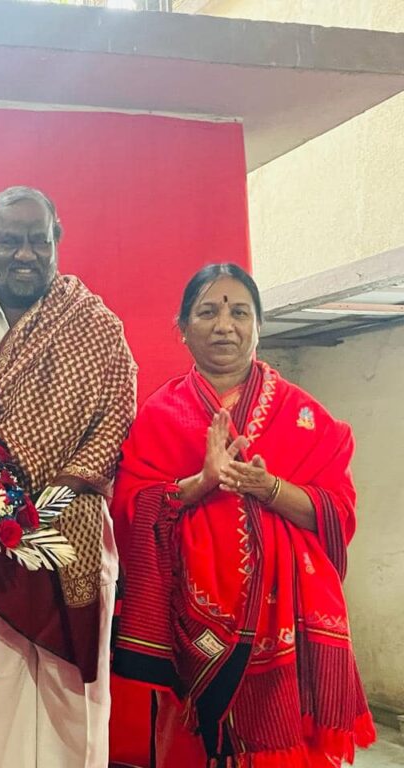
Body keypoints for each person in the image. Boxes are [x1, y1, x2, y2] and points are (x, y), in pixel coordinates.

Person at [112, 263, 375, 767]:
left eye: (239, 313)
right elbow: (130, 509)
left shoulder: (303, 414)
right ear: (182, 327)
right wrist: (201, 483)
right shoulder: (160, 414)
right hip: (191, 626)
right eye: (207, 312)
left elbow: (336, 512)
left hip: (286, 630)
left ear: (258, 324)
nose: (224, 326)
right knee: (191, 744)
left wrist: (269, 489)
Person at [0, 186, 137, 768]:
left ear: (56, 241)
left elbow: (118, 413)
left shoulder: (94, 323)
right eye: (10, 241)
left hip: (71, 529)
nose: (25, 254)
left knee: (75, 705)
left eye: (38, 241)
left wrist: (59, 492)